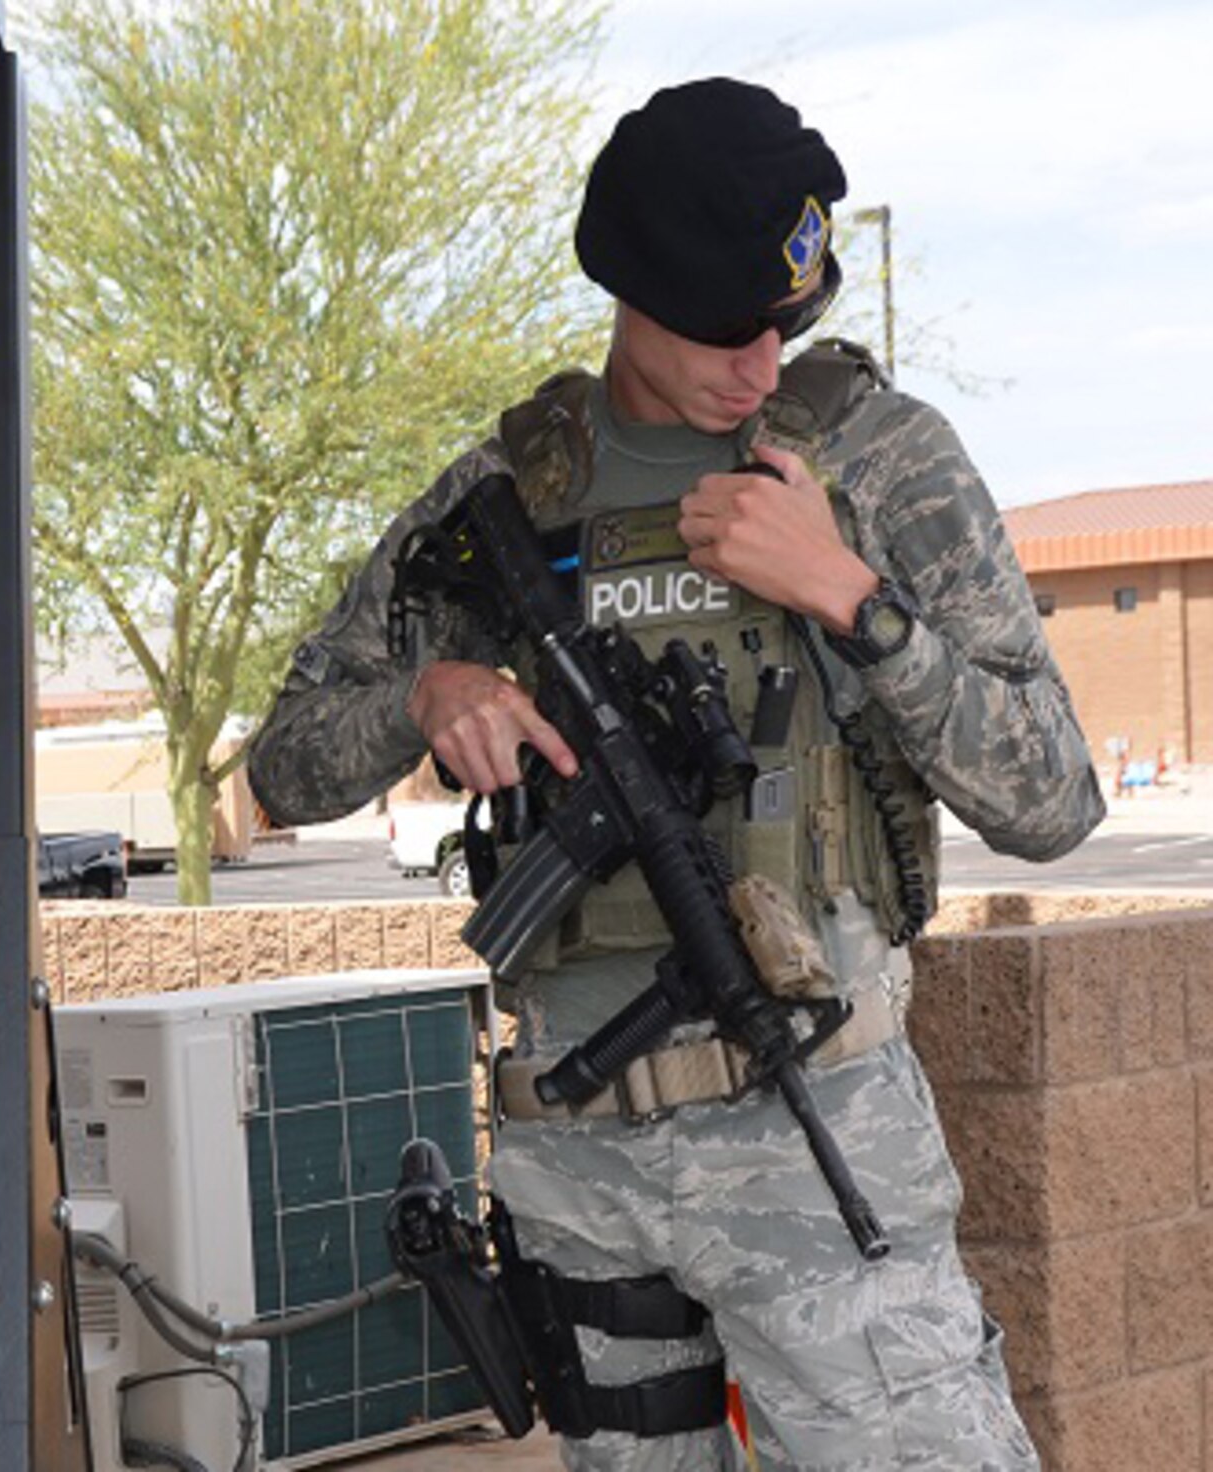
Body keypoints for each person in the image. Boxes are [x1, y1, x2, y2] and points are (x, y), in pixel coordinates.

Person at [247, 78, 1102, 1471]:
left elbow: (1054, 797)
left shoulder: (877, 461)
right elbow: (285, 758)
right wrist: (429, 693)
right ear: (628, 288)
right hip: (582, 1176)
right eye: (724, 328)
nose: (761, 364)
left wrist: (850, 597)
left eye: (789, 322)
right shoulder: (513, 497)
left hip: (817, 1148)